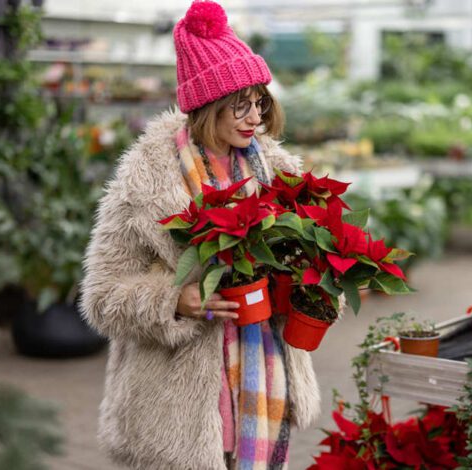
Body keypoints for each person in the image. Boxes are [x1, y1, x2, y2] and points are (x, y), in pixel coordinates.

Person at [80, 1, 320, 468]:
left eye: (260, 102)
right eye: (240, 105)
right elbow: (101, 296)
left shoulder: (279, 172)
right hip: (178, 409)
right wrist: (173, 300)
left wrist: (314, 285)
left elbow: (312, 266)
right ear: (209, 106)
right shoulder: (146, 181)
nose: (255, 117)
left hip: (262, 386)